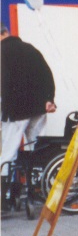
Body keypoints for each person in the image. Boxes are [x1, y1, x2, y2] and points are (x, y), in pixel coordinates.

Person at [1, 24, 56, 207]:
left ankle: (3, 198)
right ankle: (37, 189)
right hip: (38, 109)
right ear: (7, 32)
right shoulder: (30, 49)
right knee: (35, 149)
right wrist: (49, 99)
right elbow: (47, 75)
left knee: (8, 153)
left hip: (15, 112)